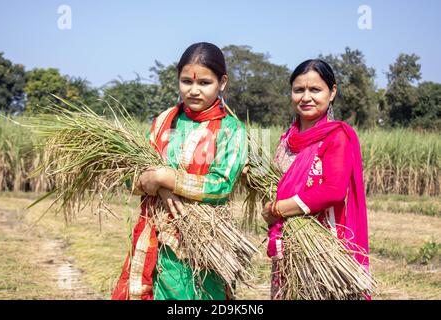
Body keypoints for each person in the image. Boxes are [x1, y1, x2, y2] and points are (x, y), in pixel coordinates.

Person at [111, 42, 248, 300]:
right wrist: (160, 186)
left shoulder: (231, 130)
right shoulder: (164, 121)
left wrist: (166, 178)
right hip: (156, 235)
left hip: (203, 243)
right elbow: (135, 176)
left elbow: (221, 185)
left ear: (222, 83)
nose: (194, 90)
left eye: (204, 83)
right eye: (186, 81)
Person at [261, 59, 370, 300]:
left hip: (323, 245)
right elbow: (276, 183)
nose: (306, 97)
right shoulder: (287, 138)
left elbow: (334, 190)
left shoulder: (336, 136)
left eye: (315, 90)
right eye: (299, 90)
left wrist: (278, 209)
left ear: (332, 92)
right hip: (290, 242)